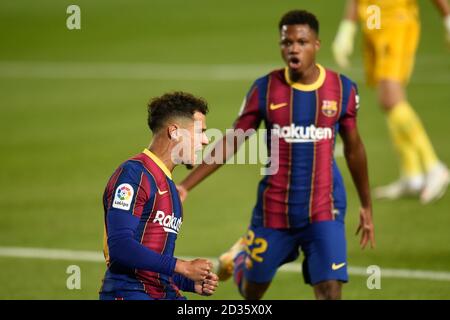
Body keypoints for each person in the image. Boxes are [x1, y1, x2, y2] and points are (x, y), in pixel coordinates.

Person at [177, 10, 375, 300]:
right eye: (287, 42)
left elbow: (355, 147)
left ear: (316, 45)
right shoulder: (265, 89)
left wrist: (366, 205)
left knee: (330, 292)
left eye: (302, 42)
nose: (294, 48)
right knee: (252, 293)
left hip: (325, 208)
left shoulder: (342, 89)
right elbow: (234, 139)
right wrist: (185, 185)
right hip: (274, 212)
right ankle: (240, 259)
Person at [99, 92, 218, 300]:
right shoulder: (134, 175)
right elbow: (119, 247)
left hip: (162, 293)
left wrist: (189, 281)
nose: (206, 140)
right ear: (175, 132)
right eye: (200, 132)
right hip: (129, 294)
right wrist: (182, 266)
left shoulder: (171, 188)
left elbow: (152, 263)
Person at [332, 0, 450, 203]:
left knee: (391, 98)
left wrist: (447, 17)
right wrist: (348, 26)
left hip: (396, 21)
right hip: (373, 21)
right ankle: (412, 175)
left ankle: (434, 167)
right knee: (386, 100)